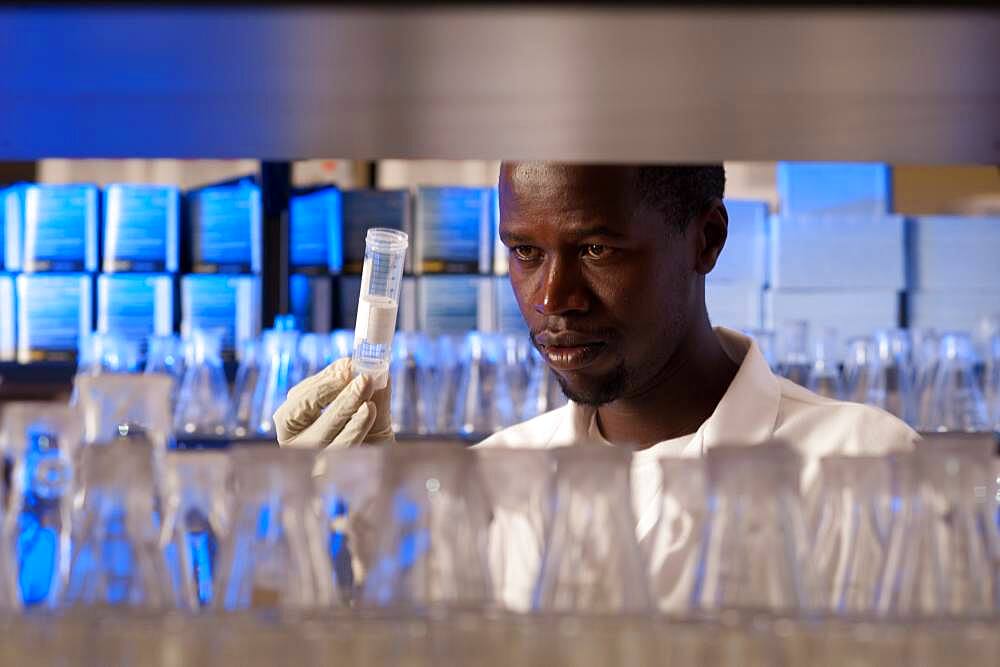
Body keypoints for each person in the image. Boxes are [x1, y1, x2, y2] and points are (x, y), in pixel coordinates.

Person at [274, 162, 918, 605]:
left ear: (708, 239)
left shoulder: (861, 462)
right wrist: (358, 527)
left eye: (596, 250)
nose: (554, 298)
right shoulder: (486, 481)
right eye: (526, 253)